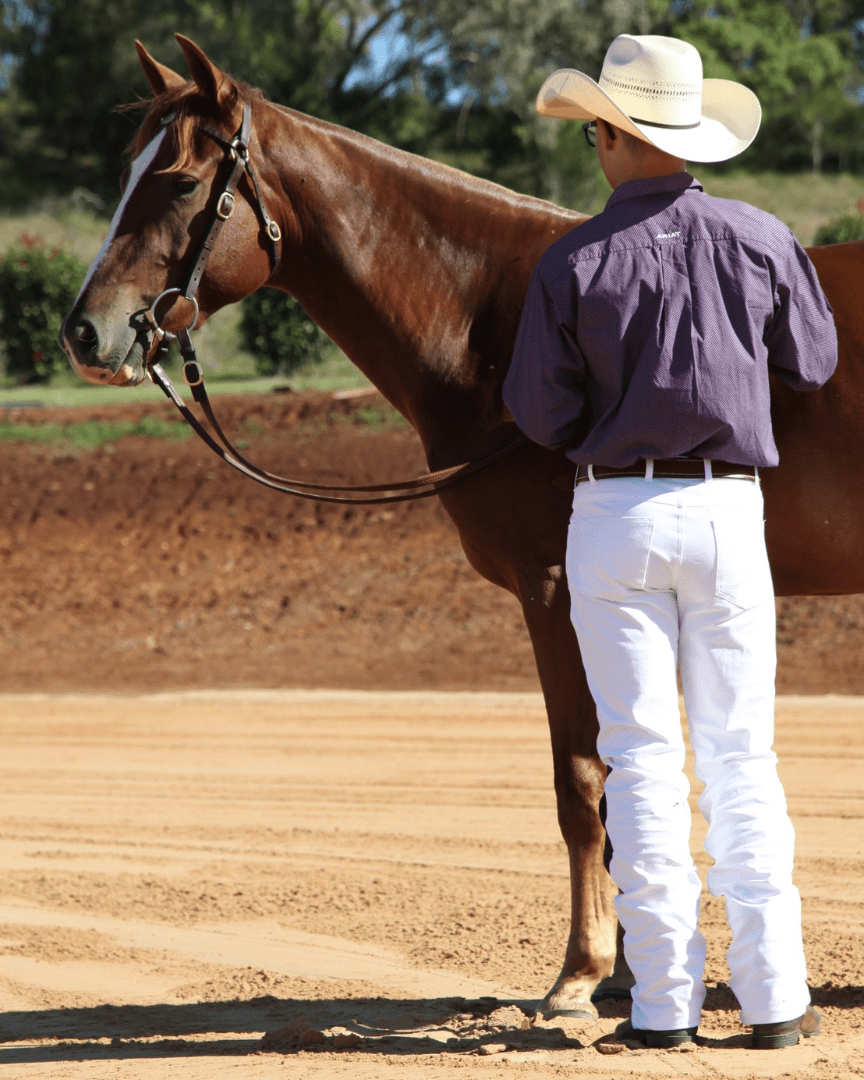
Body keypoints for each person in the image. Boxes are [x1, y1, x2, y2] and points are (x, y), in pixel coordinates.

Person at [503, 34, 837, 1050]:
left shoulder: (571, 260)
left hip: (615, 514)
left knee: (640, 759)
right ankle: (774, 999)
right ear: (690, 135)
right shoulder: (762, 236)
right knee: (743, 756)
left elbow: (540, 413)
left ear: (609, 136)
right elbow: (814, 361)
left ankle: (661, 1008)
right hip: (730, 513)